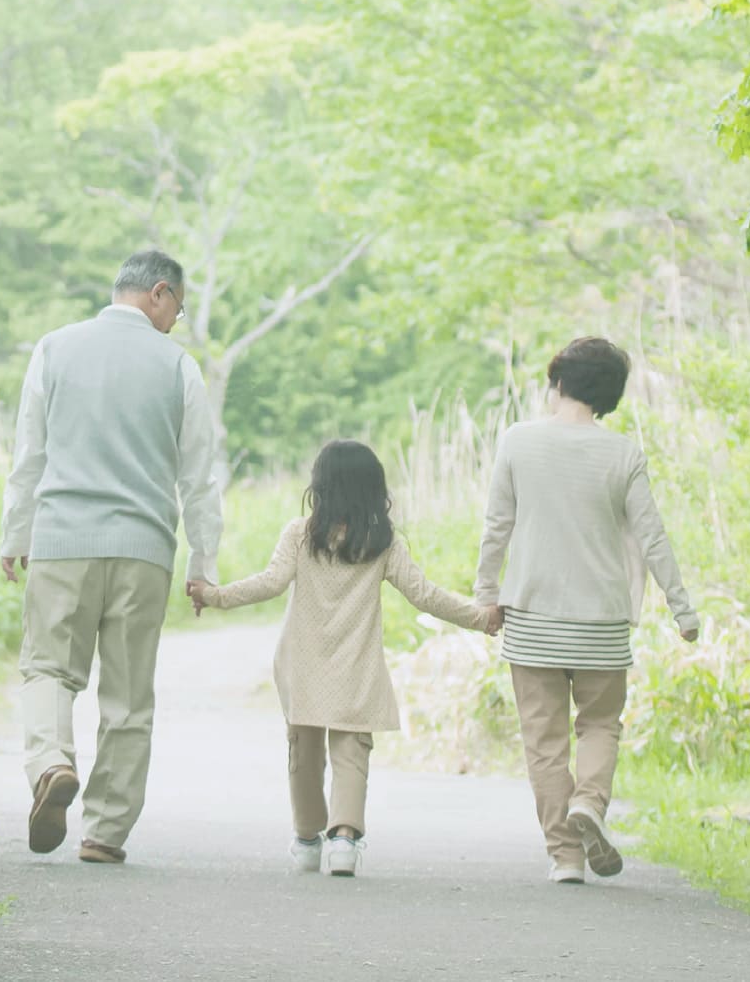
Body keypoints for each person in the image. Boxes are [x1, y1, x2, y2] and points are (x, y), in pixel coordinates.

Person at [0, 250, 223, 864]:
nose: (177, 320)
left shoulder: (54, 348)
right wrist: (203, 562)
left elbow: (29, 454)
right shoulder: (178, 366)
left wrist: (15, 535)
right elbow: (199, 476)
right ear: (157, 293)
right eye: (178, 306)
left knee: (48, 669)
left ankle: (50, 764)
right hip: (143, 550)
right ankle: (105, 832)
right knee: (127, 695)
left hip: (62, 541)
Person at [189, 439, 493, 878]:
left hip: (302, 664)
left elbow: (269, 584)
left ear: (321, 486)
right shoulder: (383, 542)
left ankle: (308, 838)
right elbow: (426, 596)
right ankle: (345, 839)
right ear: (374, 490)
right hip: (357, 664)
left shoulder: (299, 535)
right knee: (352, 751)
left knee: (304, 752)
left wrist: (215, 597)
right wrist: (480, 617)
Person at [475, 338, 700, 884]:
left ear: (557, 383)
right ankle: (590, 806)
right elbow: (652, 537)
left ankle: (565, 857)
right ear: (608, 396)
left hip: (532, 617)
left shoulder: (517, 441)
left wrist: (486, 594)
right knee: (600, 724)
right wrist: (681, 608)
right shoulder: (622, 453)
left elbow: (496, 525)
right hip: (601, 619)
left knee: (544, 741)